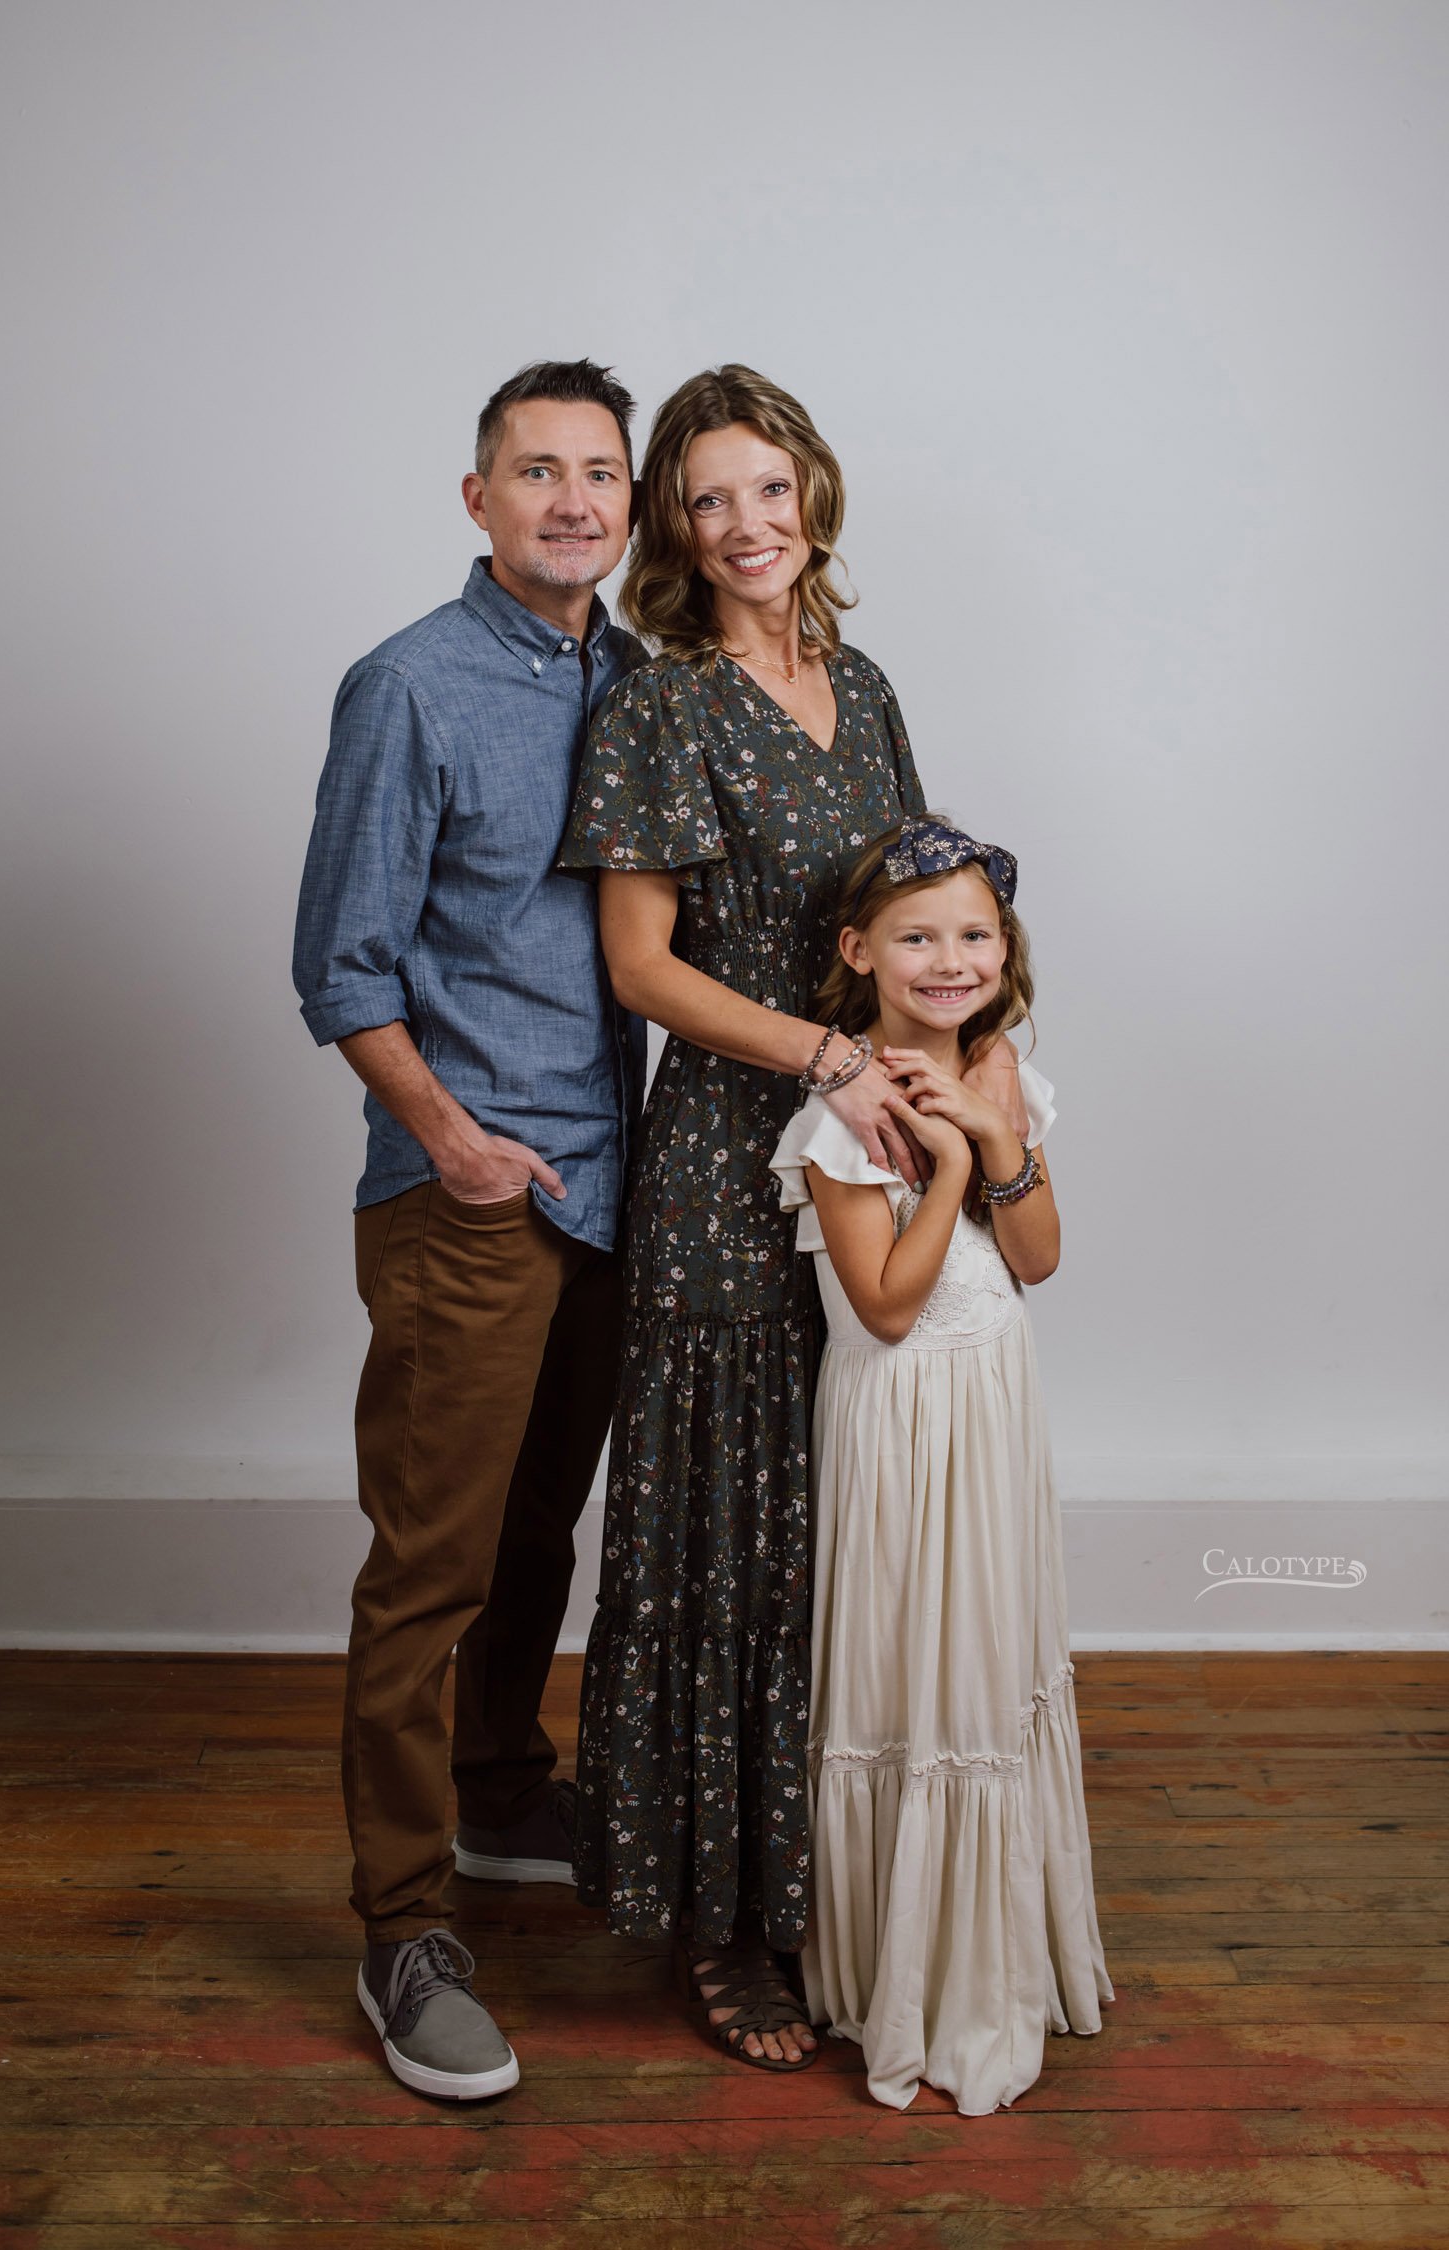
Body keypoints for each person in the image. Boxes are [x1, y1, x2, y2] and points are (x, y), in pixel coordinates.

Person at [558, 366, 1026, 2070]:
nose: (748, 526)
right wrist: (828, 1054)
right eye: (709, 500)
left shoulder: (867, 679)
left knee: (842, 1531)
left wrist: (958, 1076)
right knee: (723, 1546)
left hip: (869, 1142)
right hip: (719, 1171)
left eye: (772, 489)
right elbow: (640, 964)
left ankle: (824, 1873)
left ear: (814, 493)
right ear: (676, 530)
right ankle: (721, 1926)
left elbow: (915, 910)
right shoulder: (661, 702)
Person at [292, 358, 646, 2101]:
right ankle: (404, 1921)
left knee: (538, 1532)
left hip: (616, 1192)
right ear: (478, 500)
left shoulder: (646, 683)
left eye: (599, 472)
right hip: (467, 1204)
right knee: (427, 1565)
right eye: (535, 470)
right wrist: (453, 1141)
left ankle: (507, 1787)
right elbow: (340, 971)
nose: (571, 499)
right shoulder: (409, 687)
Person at [768, 813, 1113, 2111]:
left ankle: (1005, 1944)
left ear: (1003, 949)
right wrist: (951, 1155)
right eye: (917, 935)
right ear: (861, 951)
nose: (950, 957)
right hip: (903, 1420)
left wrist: (995, 1131)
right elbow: (889, 1308)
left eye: (974, 933)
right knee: (919, 1663)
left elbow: (1039, 1258)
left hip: (992, 1407)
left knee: (992, 1656)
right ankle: (907, 1972)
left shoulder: (1002, 1069)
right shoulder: (841, 1120)